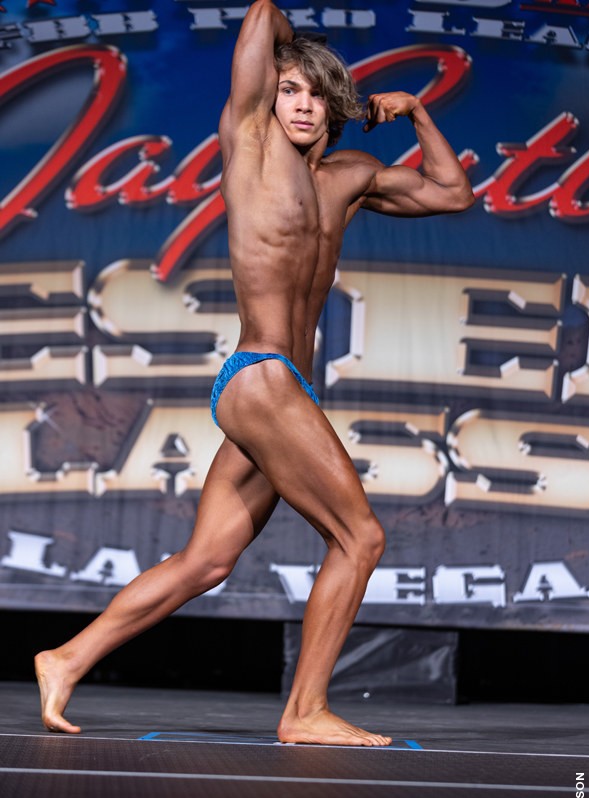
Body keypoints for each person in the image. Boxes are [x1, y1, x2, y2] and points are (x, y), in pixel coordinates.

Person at [35, 0, 474, 746]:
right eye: (288, 89)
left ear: (334, 107)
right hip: (261, 375)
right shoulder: (250, 140)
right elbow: (264, 14)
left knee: (207, 560)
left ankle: (66, 658)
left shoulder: (351, 178)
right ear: (269, 94)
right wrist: (292, 50)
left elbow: (453, 192)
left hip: (283, 389)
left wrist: (419, 112)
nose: (299, 105)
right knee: (361, 539)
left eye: (314, 94)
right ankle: (304, 712)